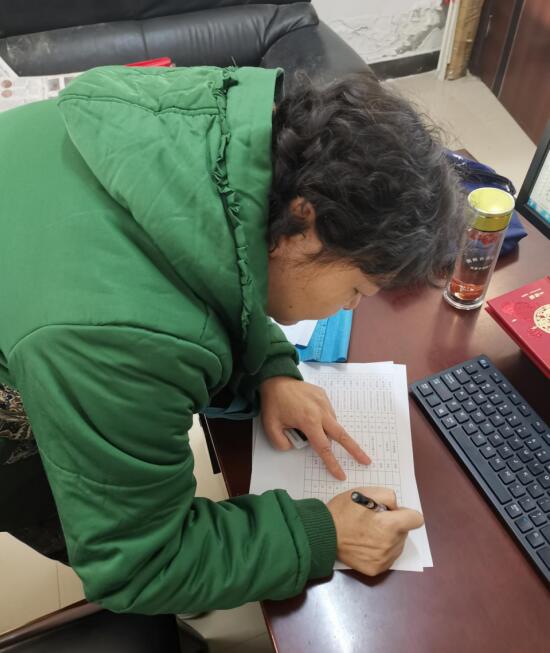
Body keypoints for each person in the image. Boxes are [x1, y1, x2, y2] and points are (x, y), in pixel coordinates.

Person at [0, 65, 463, 614]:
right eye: (357, 289)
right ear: (304, 224)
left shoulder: (217, 119)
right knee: (78, 510)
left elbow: (210, 251)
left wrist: (269, 369)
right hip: (43, 363)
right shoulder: (121, 343)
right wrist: (323, 532)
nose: (349, 308)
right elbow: (141, 564)